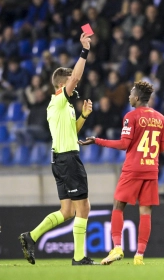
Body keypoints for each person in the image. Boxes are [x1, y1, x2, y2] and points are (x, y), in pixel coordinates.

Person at [78, 81, 164, 265]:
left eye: (131, 94)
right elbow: (161, 147)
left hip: (133, 168)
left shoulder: (131, 117)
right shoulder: (160, 118)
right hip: (151, 169)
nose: (129, 96)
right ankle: (139, 256)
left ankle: (117, 248)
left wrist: (97, 141)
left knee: (118, 206)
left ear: (137, 98)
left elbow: (124, 144)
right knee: (145, 211)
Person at [18, 33, 96, 266]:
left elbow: (73, 130)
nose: (76, 82)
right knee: (84, 207)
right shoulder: (60, 99)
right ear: (63, 84)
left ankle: (30, 237)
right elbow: (77, 74)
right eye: (72, 80)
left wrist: (84, 115)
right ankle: (79, 257)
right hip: (68, 160)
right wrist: (85, 51)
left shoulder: (63, 107)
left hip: (59, 159)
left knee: (67, 211)